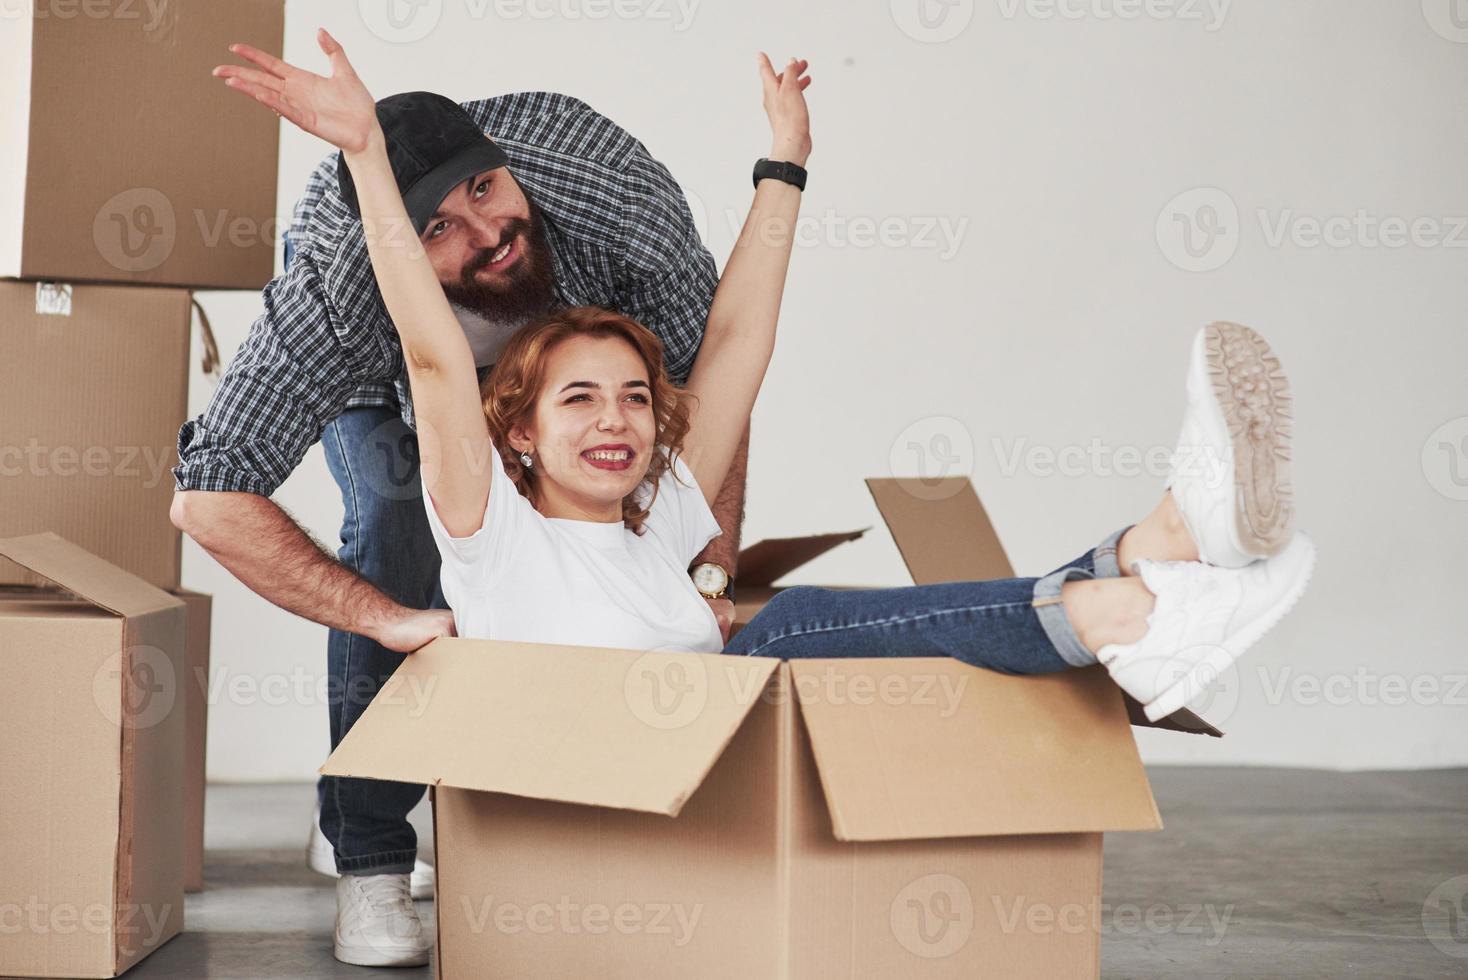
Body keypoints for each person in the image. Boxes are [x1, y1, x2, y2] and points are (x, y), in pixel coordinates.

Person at [214, 28, 1314, 969]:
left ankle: (1153, 548)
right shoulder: (486, 531)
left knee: (793, 624)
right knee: (784, 625)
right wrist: (363, 151)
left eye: (636, 400)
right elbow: (432, 355)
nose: (615, 421)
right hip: (615, 785)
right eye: (580, 401)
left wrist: (782, 168)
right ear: (518, 434)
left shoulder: (668, 517)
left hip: (722, 757)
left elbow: (737, 337)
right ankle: (1125, 600)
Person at [176, 36, 749, 940]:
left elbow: (710, 390)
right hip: (391, 384)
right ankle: (369, 854)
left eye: (485, 190)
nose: (486, 234)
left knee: (620, 518)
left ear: (505, 164)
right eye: (438, 226)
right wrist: (384, 618)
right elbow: (209, 495)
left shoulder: (605, 190)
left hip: (558, 376)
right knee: (402, 525)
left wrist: (707, 577)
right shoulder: (344, 288)